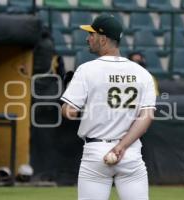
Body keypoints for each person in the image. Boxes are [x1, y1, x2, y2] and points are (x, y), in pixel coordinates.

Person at [60, 14, 156, 200]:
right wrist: (122, 146)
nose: (88, 38)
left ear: (103, 39)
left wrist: (67, 98)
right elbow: (146, 117)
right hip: (130, 152)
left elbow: (70, 113)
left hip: (96, 151)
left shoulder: (87, 70)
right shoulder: (143, 73)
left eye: (92, 34)